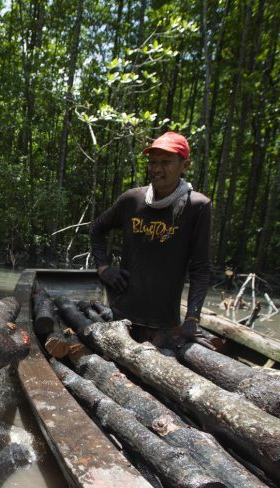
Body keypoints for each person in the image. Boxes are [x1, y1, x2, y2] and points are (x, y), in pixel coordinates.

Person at [88, 131, 213, 349]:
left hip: (164, 324)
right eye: (153, 162)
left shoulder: (197, 207)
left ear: (185, 165)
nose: (156, 169)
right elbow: (97, 228)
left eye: (166, 162)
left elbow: (200, 269)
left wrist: (192, 318)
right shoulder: (132, 200)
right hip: (122, 318)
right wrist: (104, 268)